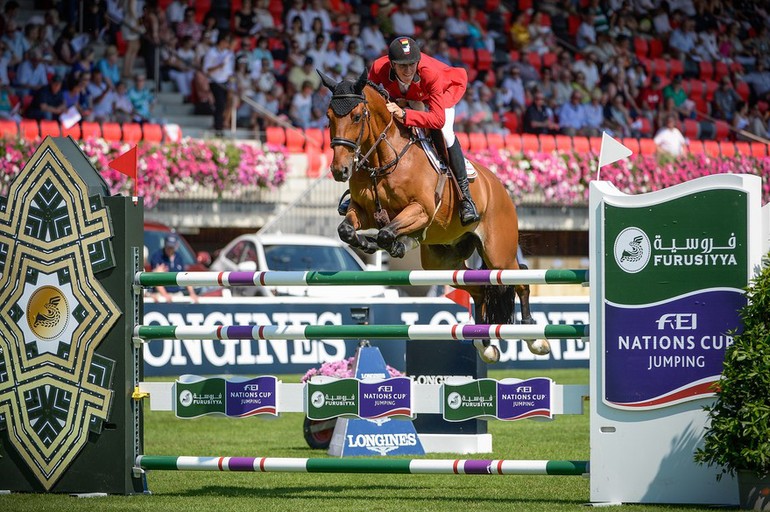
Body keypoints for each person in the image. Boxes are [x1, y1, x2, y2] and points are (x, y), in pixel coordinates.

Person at [363, 36, 480, 225]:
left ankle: (466, 198)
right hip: (407, 95)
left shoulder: (430, 73)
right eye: (402, 66)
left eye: (412, 65)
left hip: (442, 92)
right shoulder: (378, 68)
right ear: (392, 64)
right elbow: (368, 97)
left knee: (445, 132)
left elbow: (437, 119)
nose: (408, 70)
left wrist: (404, 114)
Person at [149, 234, 199, 302]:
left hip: (177, 293)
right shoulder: (157, 256)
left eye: (172, 247)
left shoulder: (179, 257)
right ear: (165, 244)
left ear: (176, 246)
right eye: (168, 246)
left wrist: (192, 293)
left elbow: (184, 276)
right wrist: (165, 294)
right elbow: (156, 278)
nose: (170, 249)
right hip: (161, 294)